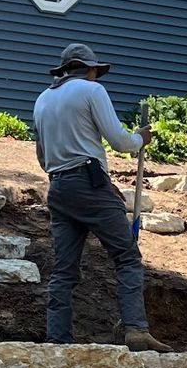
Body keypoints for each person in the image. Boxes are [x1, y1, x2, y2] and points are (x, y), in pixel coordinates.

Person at [33, 43, 168, 351]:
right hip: (90, 182)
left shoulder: (42, 100)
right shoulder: (92, 91)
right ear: (90, 69)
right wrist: (140, 139)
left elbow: (41, 157)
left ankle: (58, 340)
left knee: (64, 269)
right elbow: (120, 141)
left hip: (58, 187)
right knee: (127, 256)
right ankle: (135, 329)